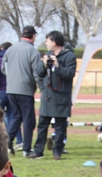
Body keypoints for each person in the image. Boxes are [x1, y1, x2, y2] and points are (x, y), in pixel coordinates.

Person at [28, 31, 76, 161]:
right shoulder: (47, 55)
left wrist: (57, 66)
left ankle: (57, 151)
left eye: (48, 41)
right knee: (42, 125)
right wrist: (44, 64)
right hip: (47, 97)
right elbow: (38, 72)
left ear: (54, 42)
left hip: (61, 97)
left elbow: (70, 74)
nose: (46, 43)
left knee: (60, 127)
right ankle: (38, 151)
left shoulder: (69, 56)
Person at [1, 26, 42, 156]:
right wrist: (41, 87)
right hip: (25, 90)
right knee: (28, 120)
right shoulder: (33, 51)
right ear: (33, 36)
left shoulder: (10, 49)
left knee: (16, 116)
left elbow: (3, 68)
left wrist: (12, 77)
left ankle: (8, 140)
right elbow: (37, 72)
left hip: (11, 89)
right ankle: (26, 149)